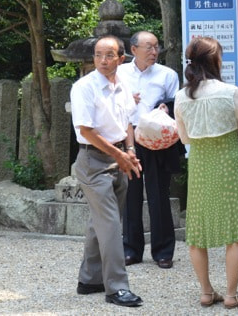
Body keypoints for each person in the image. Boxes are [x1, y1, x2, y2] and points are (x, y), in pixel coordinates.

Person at [174, 36, 238, 309]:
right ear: (216, 60)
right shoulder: (231, 92)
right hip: (230, 162)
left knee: (198, 232)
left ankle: (206, 292)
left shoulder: (181, 97)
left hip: (199, 162)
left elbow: (184, 138)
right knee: (235, 231)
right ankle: (232, 295)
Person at [70, 36, 143, 307]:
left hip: (119, 156)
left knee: (98, 222)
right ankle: (117, 288)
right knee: (111, 224)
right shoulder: (84, 87)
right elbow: (86, 130)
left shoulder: (123, 85)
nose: (102, 60)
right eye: (98, 55)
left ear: (121, 58)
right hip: (93, 161)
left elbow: (128, 122)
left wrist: (131, 151)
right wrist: (121, 155)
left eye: (109, 55)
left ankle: (89, 279)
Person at [117, 31, 181, 269]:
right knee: (130, 195)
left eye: (156, 47)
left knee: (159, 195)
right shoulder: (120, 73)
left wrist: (167, 107)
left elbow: (177, 104)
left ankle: (163, 251)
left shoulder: (167, 75)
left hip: (157, 138)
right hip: (127, 136)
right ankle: (131, 249)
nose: (154, 52)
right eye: (149, 47)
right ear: (133, 50)